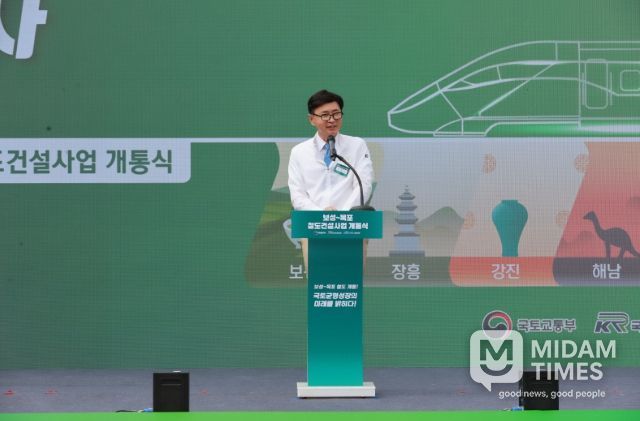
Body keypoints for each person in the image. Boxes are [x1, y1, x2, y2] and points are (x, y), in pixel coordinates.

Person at [288, 89, 374, 270]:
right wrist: (323, 216)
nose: (332, 120)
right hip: (313, 228)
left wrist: (341, 217)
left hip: (351, 226)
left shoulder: (357, 145)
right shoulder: (299, 152)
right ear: (312, 119)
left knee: (349, 281)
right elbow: (298, 196)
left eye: (336, 114)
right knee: (321, 282)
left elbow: (364, 185)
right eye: (325, 115)